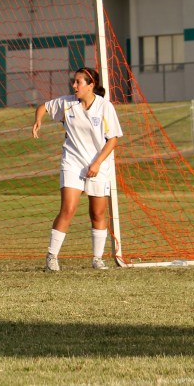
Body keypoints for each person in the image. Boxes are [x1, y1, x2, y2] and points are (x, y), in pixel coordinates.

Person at [32, 66, 122, 271]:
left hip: (99, 164)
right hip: (72, 162)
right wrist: (38, 120)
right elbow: (43, 107)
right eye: (73, 81)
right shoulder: (67, 103)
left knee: (97, 213)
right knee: (68, 209)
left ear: (91, 85)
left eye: (78, 82)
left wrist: (97, 163)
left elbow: (113, 140)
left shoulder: (105, 107)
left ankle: (97, 259)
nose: (74, 85)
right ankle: (52, 257)